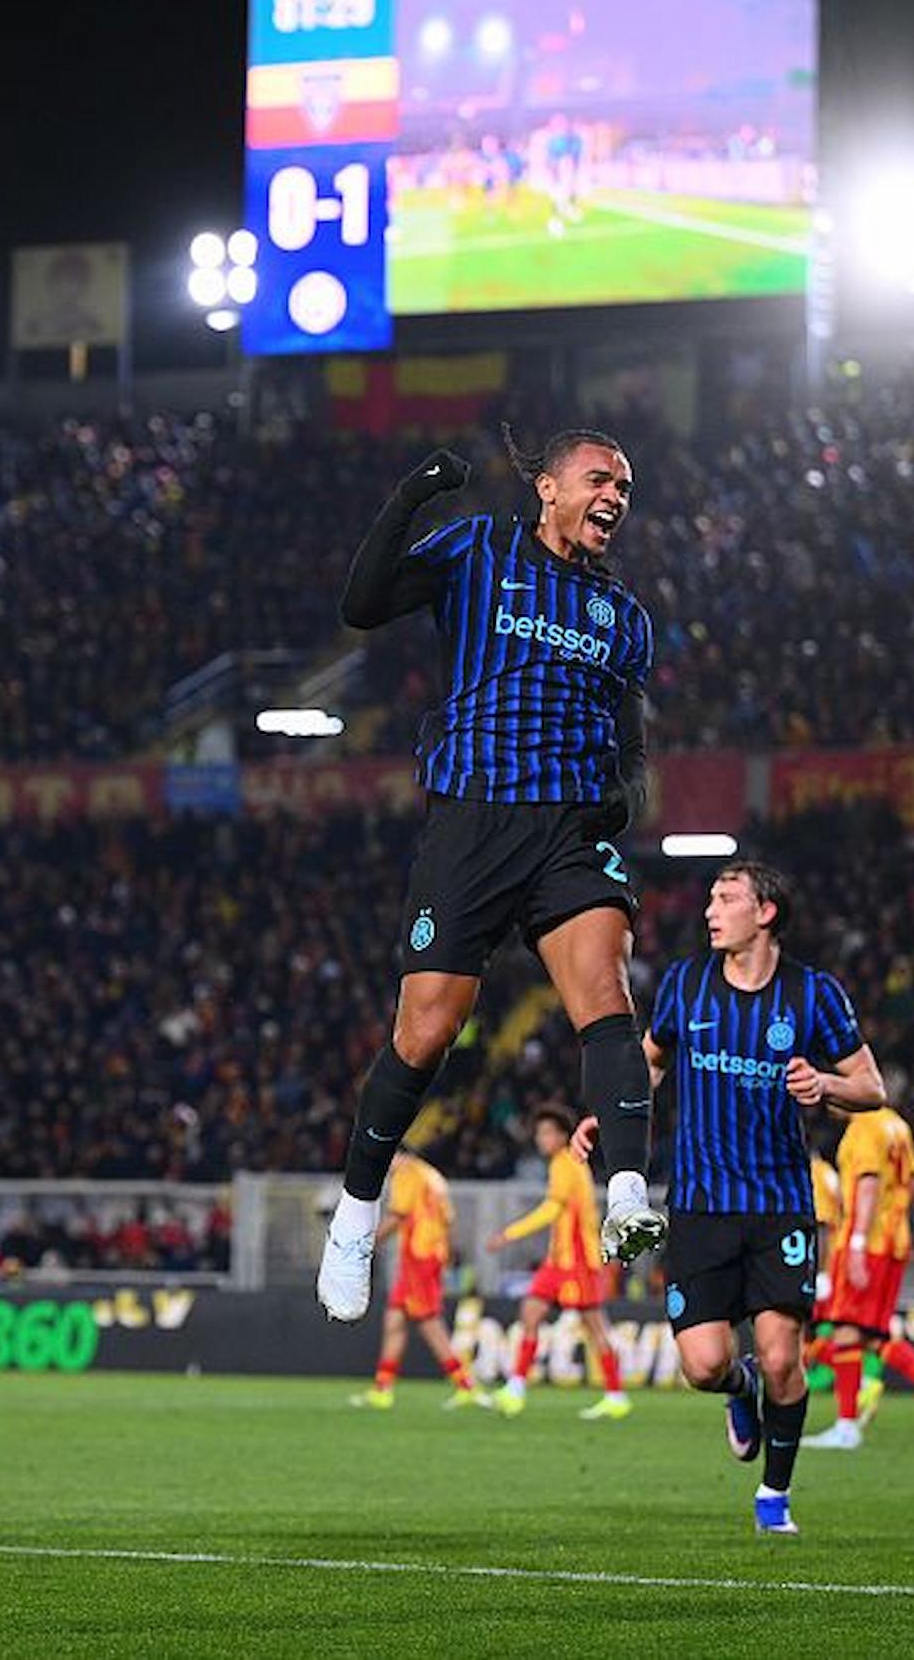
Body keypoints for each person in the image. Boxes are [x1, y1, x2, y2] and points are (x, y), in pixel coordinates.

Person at [318, 428, 662, 1324]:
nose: (616, 496)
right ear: (547, 486)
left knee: (607, 997)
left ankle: (627, 1191)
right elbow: (362, 604)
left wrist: (624, 793)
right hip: (473, 818)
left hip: (567, 831)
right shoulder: (480, 550)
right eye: (600, 479)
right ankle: (355, 1216)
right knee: (427, 1031)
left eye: (625, 486)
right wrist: (412, 495)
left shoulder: (624, 617)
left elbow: (631, 740)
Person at [577, 859, 886, 1536]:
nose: (710, 910)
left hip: (780, 1205)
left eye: (726, 898)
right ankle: (739, 1389)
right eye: (712, 898)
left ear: (765, 912)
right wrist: (610, 1115)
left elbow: (873, 1087)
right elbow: (650, 1061)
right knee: (705, 1364)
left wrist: (826, 1086)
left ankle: (775, 1494)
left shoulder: (813, 994)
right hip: (699, 1204)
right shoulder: (686, 984)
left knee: (783, 1357)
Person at [806, 1100, 914, 1450]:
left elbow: (868, 1184)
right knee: (870, 1334)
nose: (829, 1099)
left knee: (846, 1331)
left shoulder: (863, 1127)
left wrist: (859, 1241)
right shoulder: (896, 1125)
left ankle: (847, 1427)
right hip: (895, 1243)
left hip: (866, 1243)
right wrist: (894, 1218)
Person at [491, 1107, 629, 1421]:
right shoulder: (563, 1163)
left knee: (595, 1326)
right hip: (558, 1261)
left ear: (562, 1136)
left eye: (547, 1133)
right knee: (530, 1311)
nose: (541, 1139)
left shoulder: (567, 1163)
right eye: (539, 1133)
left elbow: (552, 1210)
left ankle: (616, 1395)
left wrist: (509, 1234)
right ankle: (516, 1388)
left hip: (577, 1261)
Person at [349, 1149, 492, 1411]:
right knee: (394, 1319)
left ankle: (466, 1386)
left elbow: (398, 1215)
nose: (387, 1167)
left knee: (428, 1321)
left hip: (419, 1255)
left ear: (399, 1155)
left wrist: (365, 1245)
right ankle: (382, 1389)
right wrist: (447, 1253)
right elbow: (448, 1219)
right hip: (430, 1255)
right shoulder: (432, 1175)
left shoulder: (407, 1174)